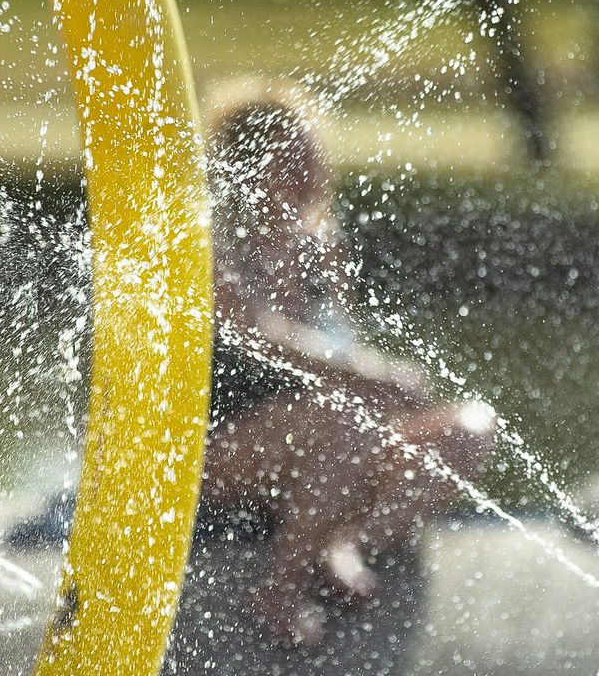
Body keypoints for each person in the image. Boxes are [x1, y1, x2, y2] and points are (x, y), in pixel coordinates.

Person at [200, 82, 495, 648]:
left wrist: (382, 388)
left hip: (319, 442)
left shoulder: (318, 247)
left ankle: (348, 540)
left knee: (467, 428)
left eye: (311, 155)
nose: (308, 173)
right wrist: (374, 375)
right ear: (245, 168)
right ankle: (279, 590)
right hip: (216, 451)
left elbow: (338, 351)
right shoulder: (216, 245)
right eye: (290, 158)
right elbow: (266, 338)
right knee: (347, 415)